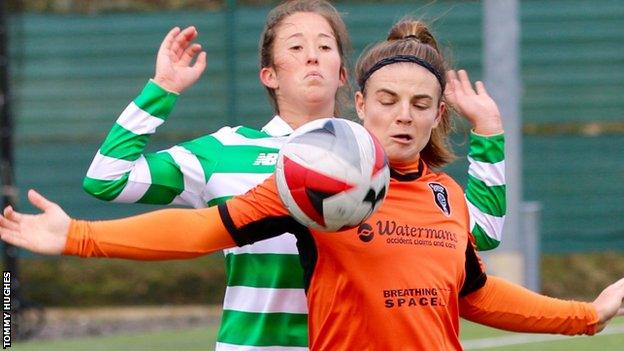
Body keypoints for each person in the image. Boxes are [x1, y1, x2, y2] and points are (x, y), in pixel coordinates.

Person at [0, 19, 568, 351]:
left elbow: (477, 243)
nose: (314, 55)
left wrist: (489, 134)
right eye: (295, 46)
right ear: (269, 74)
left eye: (326, 45)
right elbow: (111, 182)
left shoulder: (378, 168)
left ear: (347, 80)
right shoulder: (226, 152)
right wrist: (160, 91)